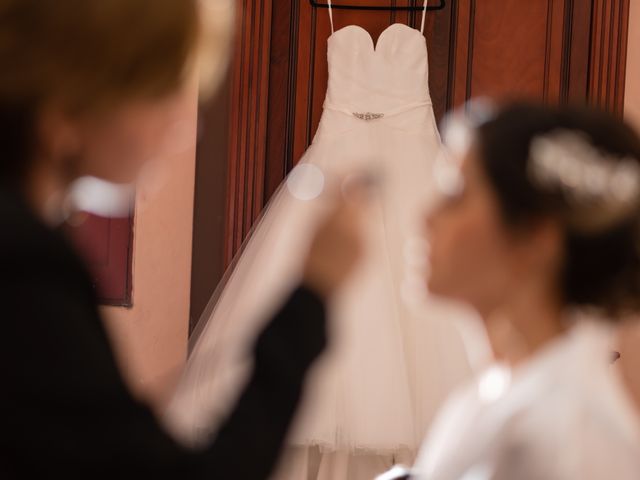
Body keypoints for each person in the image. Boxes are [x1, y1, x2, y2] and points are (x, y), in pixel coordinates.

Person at [0, 1, 365, 478]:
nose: (185, 125)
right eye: (161, 93)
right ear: (67, 113)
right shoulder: (24, 267)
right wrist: (312, 296)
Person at [404, 102, 640, 479]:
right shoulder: (490, 393)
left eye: (456, 194)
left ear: (534, 238)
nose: (425, 217)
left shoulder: (565, 436)